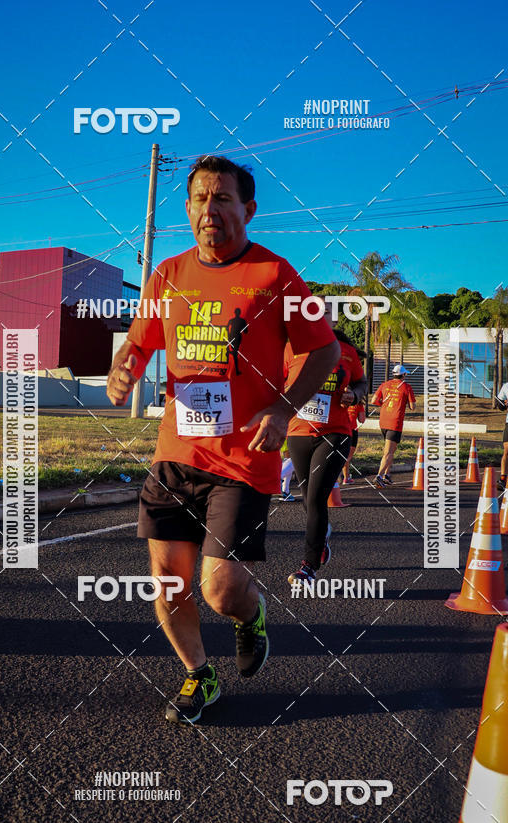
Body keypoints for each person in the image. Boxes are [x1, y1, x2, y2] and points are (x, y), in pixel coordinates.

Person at [106, 155, 339, 724]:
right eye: (200, 199)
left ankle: (250, 616)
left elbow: (325, 349)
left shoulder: (276, 275)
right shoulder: (167, 274)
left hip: (243, 461)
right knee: (168, 583)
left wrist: (284, 409)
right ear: (187, 209)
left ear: (248, 209)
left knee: (220, 589)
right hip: (175, 456)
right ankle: (199, 676)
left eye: (223, 198)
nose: (210, 209)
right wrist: (125, 368)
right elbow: (139, 342)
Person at [285, 324, 367, 584]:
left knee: (318, 498)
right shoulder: (290, 348)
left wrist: (354, 395)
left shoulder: (345, 352)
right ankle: (322, 537)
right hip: (298, 433)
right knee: (309, 499)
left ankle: (308, 568)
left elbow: (362, 383)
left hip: (334, 433)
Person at [371, 364, 416, 488]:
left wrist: (383, 404)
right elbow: (412, 407)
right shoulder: (407, 387)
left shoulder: (384, 385)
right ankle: (378, 476)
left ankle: (387, 475)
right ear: (404, 375)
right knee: (388, 452)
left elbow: (373, 400)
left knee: (392, 450)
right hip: (395, 422)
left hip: (383, 421)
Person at [341, 398, 366, 484]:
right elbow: (362, 420)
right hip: (352, 430)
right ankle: (346, 477)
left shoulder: (340, 400)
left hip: (340, 429)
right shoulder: (358, 404)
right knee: (347, 456)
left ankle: (344, 476)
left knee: (341, 454)